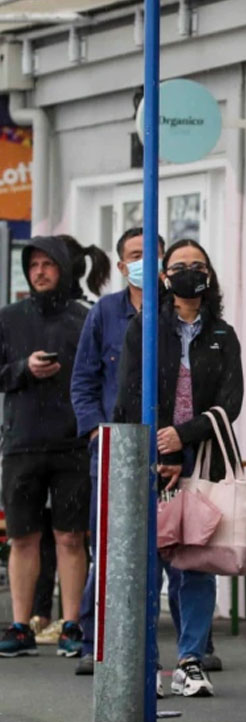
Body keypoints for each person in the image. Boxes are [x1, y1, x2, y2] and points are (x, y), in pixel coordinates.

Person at [114, 238, 243, 697]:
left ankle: (190, 661)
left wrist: (183, 439)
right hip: (151, 459)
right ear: (165, 277)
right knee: (147, 563)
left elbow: (231, 402)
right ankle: (146, 662)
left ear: (209, 276)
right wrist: (161, 452)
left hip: (200, 459)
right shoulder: (145, 327)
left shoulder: (223, 334)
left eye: (198, 265)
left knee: (194, 562)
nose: (190, 272)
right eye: (180, 265)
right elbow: (131, 395)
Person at [70, 228, 164, 676]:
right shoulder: (105, 313)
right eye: (134, 255)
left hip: (166, 448)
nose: (144, 262)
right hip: (110, 450)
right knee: (106, 548)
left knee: (172, 548)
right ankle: (94, 640)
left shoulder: (174, 309)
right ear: (122, 266)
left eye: (152, 254)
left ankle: (189, 649)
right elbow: (83, 381)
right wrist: (95, 434)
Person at [0, 237, 90, 659]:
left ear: (63, 269)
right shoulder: (9, 318)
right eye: (32, 264)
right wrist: (23, 368)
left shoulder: (83, 318)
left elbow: (95, 377)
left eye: (47, 264)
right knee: (22, 538)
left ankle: (72, 623)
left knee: (71, 537)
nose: (39, 271)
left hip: (73, 443)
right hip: (21, 443)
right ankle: (21, 625)